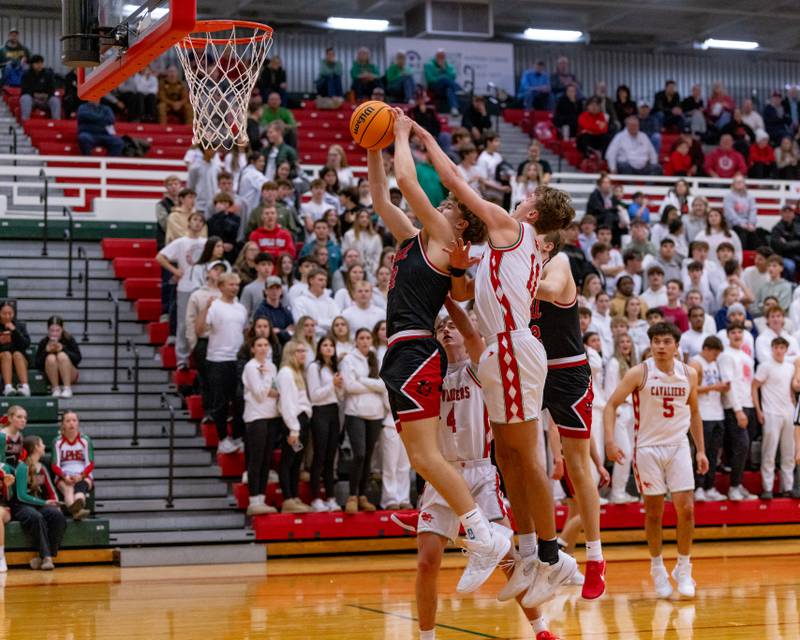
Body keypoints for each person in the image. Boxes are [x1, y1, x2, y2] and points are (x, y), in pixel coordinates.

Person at [417, 115, 577, 605]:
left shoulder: (509, 228)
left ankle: (551, 558)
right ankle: (529, 550)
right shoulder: (499, 244)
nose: (520, 196)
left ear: (530, 214)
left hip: (511, 345)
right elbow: (465, 290)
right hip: (500, 346)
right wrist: (461, 269)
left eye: (527, 196)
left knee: (525, 457)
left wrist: (423, 137)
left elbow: (455, 182)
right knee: (508, 456)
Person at [369, 111, 516, 593]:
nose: (444, 206)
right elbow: (382, 198)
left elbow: (408, 181)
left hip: (415, 348)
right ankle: (480, 531)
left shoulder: (445, 239)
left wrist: (403, 133)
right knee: (425, 458)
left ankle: (480, 531)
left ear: (461, 223)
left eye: (450, 205)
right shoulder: (415, 240)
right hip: (404, 350)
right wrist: (373, 147)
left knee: (427, 459)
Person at [409, 300, 558, 640]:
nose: (446, 331)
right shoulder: (429, 375)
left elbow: (474, 334)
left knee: (508, 559)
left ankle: (541, 629)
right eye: (440, 328)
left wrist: (446, 297)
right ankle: (427, 636)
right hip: (442, 473)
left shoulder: (478, 367)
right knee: (427, 561)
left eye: (451, 327)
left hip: (479, 471)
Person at [604, 322, 708, 599]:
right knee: (654, 513)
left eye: (666, 341)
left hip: (678, 447)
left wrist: (700, 450)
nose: (660, 346)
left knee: (686, 509)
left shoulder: (690, 374)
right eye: (656, 341)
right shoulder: (640, 372)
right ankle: (657, 568)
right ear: (650, 344)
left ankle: (684, 569)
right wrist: (610, 442)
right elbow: (611, 405)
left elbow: (695, 412)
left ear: (676, 345)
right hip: (648, 448)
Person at [530, 234, 606, 599]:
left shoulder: (557, 263)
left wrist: (503, 273)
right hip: (532, 368)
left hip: (568, 369)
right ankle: (542, 553)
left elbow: (549, 289)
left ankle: (595, 557)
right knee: (525, 460)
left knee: (578, 467)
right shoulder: (519, 262)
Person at [197, 273, 248, 454]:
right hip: (218, 359)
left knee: (239, 401)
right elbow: (200, 330)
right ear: (221, 286)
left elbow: (244, 331)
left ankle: (237, 436)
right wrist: (205, 309)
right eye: (231, 284)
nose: (235, 287)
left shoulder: (241, 308)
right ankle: (222, 439)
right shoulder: (214, 306)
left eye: (237, 284)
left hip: (237, 360)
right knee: (220, 402)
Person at [340, 328, 385, 513]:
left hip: (375, 413)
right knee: (358, 454)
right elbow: (349, 386)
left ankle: (362, 495)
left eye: (368, 338)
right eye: (361, 338)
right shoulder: (348, 360)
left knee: (368, 456)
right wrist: (372, 385)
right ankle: (351, 495)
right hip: (355, 413)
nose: (365, 341)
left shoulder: (376, 358)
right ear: (356, 341)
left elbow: (383, 385)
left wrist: (363, 380)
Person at [752, 337, 800, 499]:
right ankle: (767, 488)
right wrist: (758, 410)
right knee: (769, 452)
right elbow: (754, 387)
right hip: (771, 413)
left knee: (789, 453)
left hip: (789, 413)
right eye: (776, 347)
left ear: (786, 349)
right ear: (772, 349)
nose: (779, 350)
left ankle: (787, 487)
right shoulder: (765, 366)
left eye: (782, 347)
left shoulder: (789, 367)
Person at [13, 435, 67, 571]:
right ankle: (47, 557)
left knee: (58, 517)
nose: (44, 446)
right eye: (42, 443)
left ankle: (44, 557)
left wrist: (55, 504)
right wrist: (44, 502)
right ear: (36, 447)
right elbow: (21, 495)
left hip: (38, 504)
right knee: (37, 517)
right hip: (21, 506)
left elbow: (50, 490)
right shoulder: (22, 467)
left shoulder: (41, 467)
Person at [241, 335, 280, 516]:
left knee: (266, 459)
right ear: (253, 348)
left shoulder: (272, 366)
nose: (263, 348)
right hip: (256, 417)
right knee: (256, 459)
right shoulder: (251, 367)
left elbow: (277, 391)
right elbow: (258, 394)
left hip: (271, 415)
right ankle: (253, 499)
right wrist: (266, 379)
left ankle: (261, 499)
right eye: (259, 345)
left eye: (266, 345)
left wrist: (269, 387)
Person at [718, 323, 757, 500]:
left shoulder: (746, 356)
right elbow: (728, 385)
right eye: (733, 332)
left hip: (748, 405)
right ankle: (733, 487)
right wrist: (738, 410)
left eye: (739, 332)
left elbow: (749, 383)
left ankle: (738, 484)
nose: (736, 335)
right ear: (727, 336)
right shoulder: (726, 356)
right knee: (740, 446)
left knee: (744, 448)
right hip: (735, 408)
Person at [689, 337, 729, 502]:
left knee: (713, 455)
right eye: (715, 353)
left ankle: (710, 486)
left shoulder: (714, 363)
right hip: (702, 415)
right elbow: (691, 390)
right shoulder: (695, 363)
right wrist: (714, 387)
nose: (716, 357)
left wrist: (722, 387)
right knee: (701, 453)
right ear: (706, 349)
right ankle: (698, 487)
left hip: (717, 413)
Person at [307, 337, 344, 512]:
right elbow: (314, 396)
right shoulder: (315, 367)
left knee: (331, 457)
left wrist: (339, 387)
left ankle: (330, 497)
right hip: (320, 412)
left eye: (331, 345)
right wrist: (332, 384)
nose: (329, 348)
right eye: (325, 345)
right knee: (319, 456)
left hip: (333, 411)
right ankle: (315, 498)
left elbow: (339, 395)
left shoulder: (334, 368)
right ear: (319, 348)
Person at [276, 340, 312, 513]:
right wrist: (294, 429)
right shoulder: (286, 373)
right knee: (288, 460)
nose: (302, 354)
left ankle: (295, 496)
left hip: (301, 422)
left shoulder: (297, 372)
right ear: (290, 353)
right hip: (294, 424)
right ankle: (288, 499)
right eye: (298, 351)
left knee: (297, 460)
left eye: (304, 351)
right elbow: (287, 403)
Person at [603, 334, 639, 504]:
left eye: (628, 341)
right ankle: (616, 493)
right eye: (622, 341)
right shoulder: (614, 363)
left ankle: (621, 491)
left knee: (630, 454)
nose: (625, 344)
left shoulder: (634, 364)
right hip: (619, 411)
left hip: (633, 412)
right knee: (624, 452)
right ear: (617, 345)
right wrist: (614, 411)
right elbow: (609, 390)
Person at [50, 411, 93, 520]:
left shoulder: (85, 440)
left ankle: (76, 511)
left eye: (74, 420)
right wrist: (64, 476)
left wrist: (81, 476)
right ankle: (78, 511)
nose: (71, 423)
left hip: (82, 475)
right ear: (63, 424)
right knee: (68, 489)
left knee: (80, 487)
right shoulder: (57, 441)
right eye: (68, 421)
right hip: (64, 475)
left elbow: (91, 463)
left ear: (78, 423)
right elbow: (55, 464)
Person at [35, 316, 81, 399]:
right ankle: (56, 388)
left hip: (70, 374)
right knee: (51, 357)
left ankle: (67, 388)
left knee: (61, 356)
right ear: (48, 330)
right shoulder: (44, 342)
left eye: (57, 330)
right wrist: (46, 351)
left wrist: (63, 349)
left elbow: (78, 359)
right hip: (52, 375)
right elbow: (37, 364)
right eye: (52, 331)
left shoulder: (69, 339)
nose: (54, 334)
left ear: (62, 329)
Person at [0, 302, 30, 397]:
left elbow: (25, 344)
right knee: (6, 354)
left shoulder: (20, 325)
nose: (7, 316)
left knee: (17, 354)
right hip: (2, 358)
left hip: (19, 358)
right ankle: (8, 387)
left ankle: (25, 387)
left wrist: (15, 331)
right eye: (4, 313)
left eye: (10, 313)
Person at [19, 54, 60, 120]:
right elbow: (24, 90)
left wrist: (47, 95)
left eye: (41, 63)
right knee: (25, 98)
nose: (40, 65)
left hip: (45, 99)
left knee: (55, 100)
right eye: (37, 63)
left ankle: (56, 122)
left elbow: (52, 89)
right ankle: (25, 121)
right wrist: (35, 95)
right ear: (32, 64)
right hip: (32, 99)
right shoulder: (26, 74)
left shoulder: (48, 74)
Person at [424, 49, 460, 116]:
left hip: (444, 89)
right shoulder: (429, 64)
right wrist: (439, 76)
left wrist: (445, 69)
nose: (441, 58)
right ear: (436, 56)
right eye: (439, 56)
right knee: (444, 78)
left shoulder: (448, 65)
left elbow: (453, 76)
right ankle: (458, 88)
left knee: (449, 88)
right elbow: (429, 79)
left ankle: (454, 108)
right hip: (434, 87)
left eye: (442, 57)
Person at [239, 253, 273, 319]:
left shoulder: (281, 287)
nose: (267, 267)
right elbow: (244, 312)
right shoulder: (249, 289)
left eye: (269, 264)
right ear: (256, 266)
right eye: (263, 264)